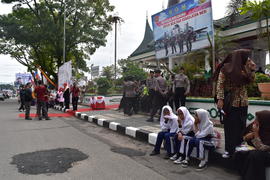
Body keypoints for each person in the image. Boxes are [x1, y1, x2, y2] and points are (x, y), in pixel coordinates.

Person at [214, 49, 256, 158]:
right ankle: (229, 149)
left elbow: (251, 81)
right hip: (231, 102)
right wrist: (220, 99)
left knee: (241, 125)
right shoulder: (226, 68)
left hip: (243, 101)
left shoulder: (244, 67)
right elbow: (220, 84)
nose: (247, 59)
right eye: (245, 57)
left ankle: (239, 147)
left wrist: (252, 70)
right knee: (230, 126)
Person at [234, 110, 270, 180]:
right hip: (256, 151)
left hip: (267, 153)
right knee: (239, 154)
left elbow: (262, 148)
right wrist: (247, 137)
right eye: (255, 118)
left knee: (255, 155)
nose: (255, 121)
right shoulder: (255, 125)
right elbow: (244, 138)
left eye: (257, 119)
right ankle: (244, 176)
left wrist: (255, 134)